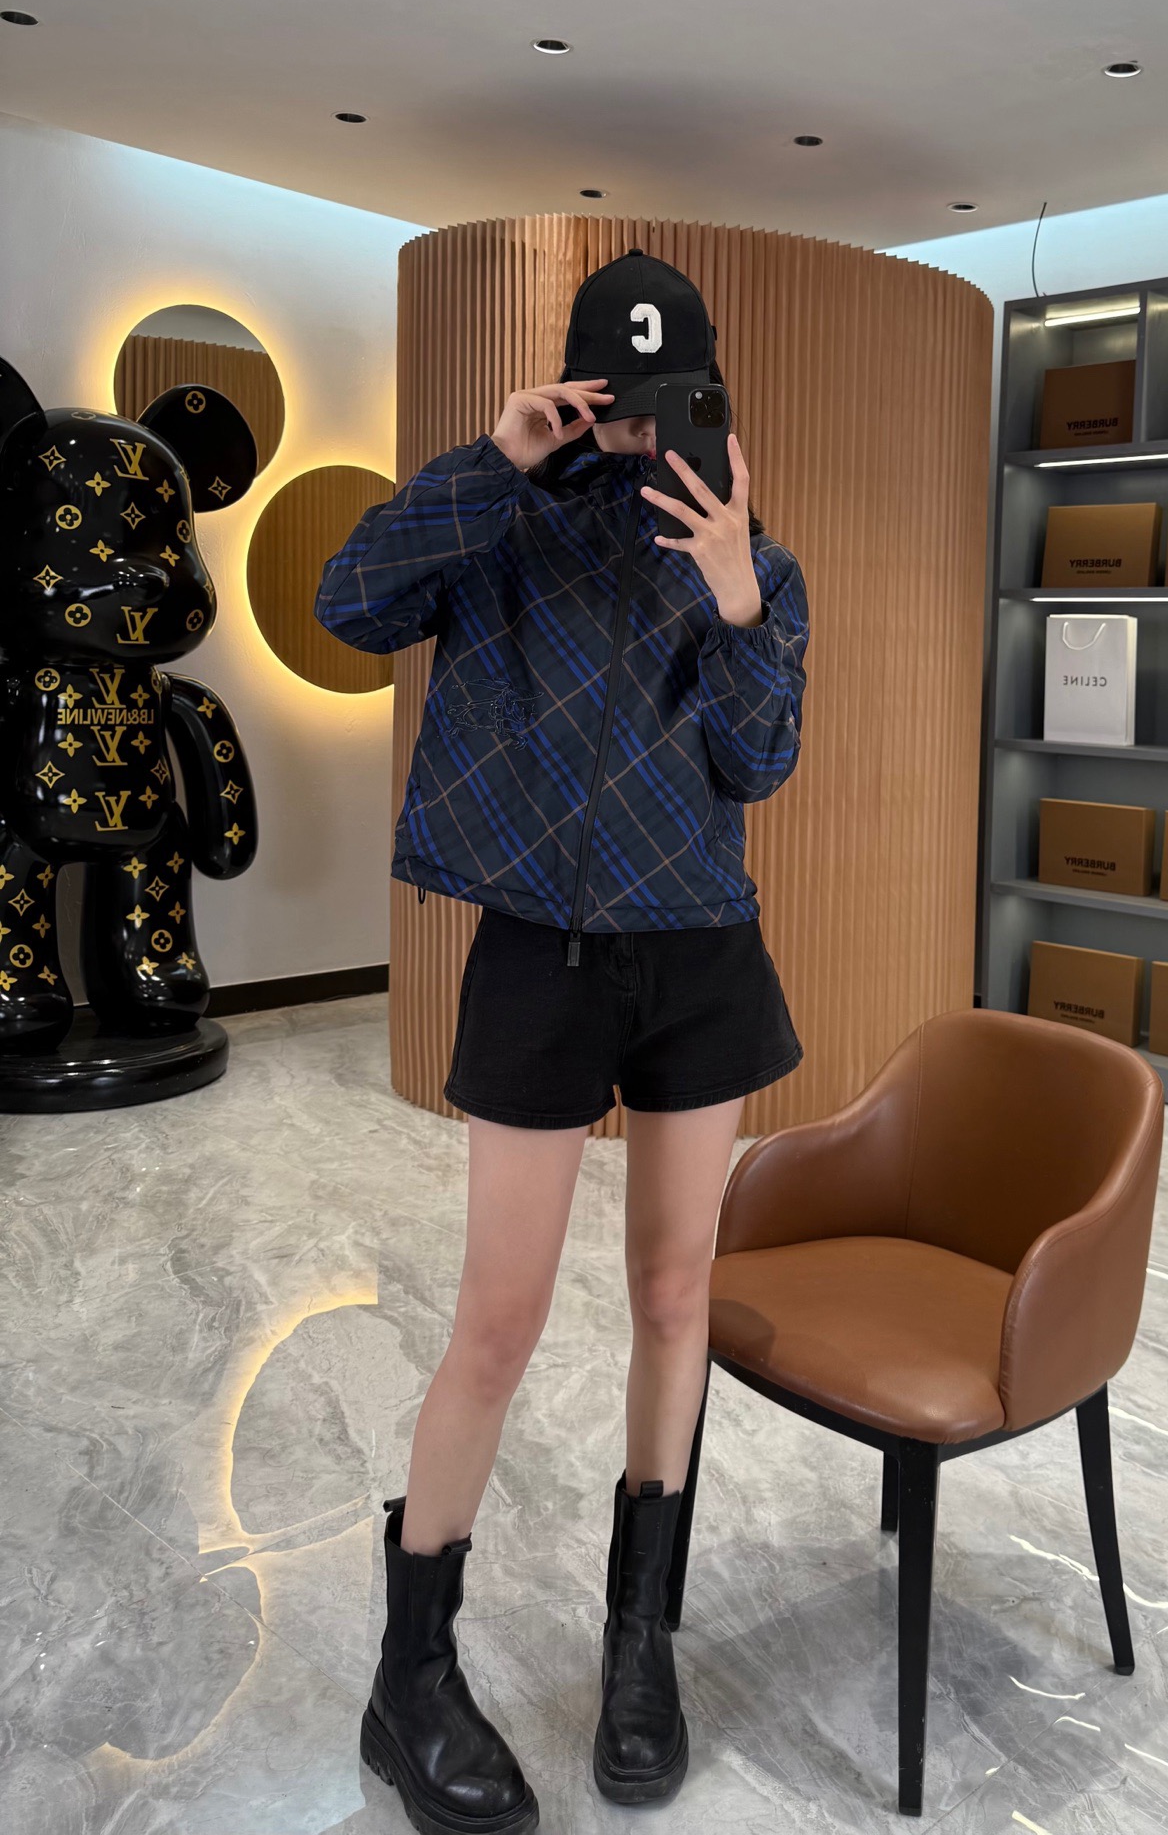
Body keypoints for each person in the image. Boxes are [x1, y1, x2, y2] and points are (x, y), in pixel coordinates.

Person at [314, 250, 809, 1834]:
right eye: (615, 401)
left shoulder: (752, 562)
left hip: (700, 958)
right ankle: (409, 1680)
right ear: (579, 395)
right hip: (541, 959)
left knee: (674, 1296)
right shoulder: (503, 521)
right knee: (497, 1323)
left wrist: (736, 596)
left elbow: (760, 761)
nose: (639, 432)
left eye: (669, 403)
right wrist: (496, 456)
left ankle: (639, 1645)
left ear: (709, 400)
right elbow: (347, 604)